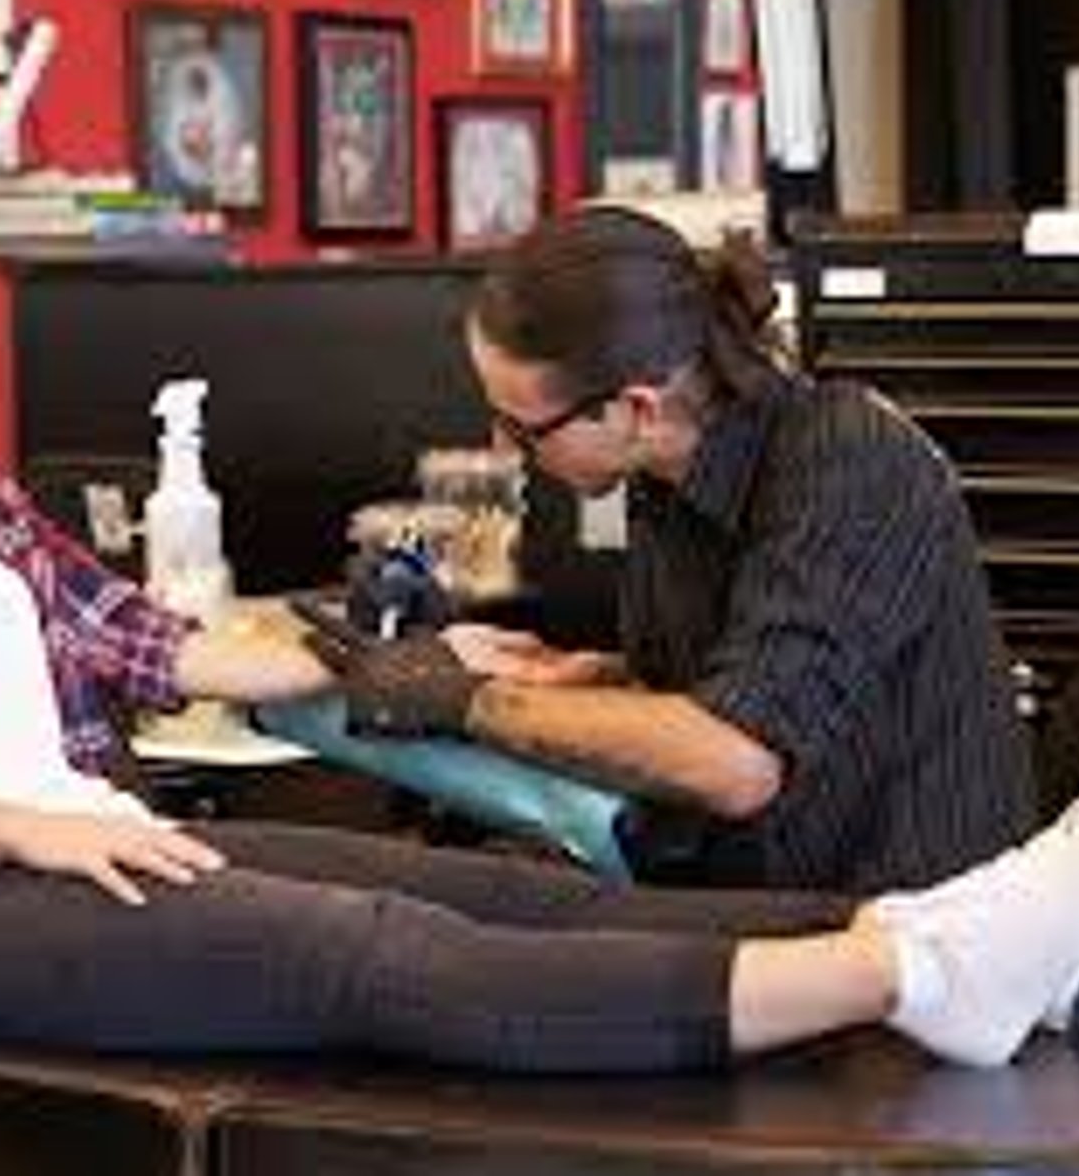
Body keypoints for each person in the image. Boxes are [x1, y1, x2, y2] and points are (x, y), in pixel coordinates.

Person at [0, 127, 1079, 1074]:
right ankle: (915, 971)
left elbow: (149, 638)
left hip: (78, 837)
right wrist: (3, 825)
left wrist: (404, 659)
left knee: (510, 896)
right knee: (363, 944)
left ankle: (969, 935)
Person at [310, 207, 1035, 893]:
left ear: (637, 408)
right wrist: (588, 678)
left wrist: (469, 701)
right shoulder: (663, 479)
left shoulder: (850, 464)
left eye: (526, 427)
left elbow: (736, 758)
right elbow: (747, 675)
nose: (508, 448)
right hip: (765, 894)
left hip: (908, 939)